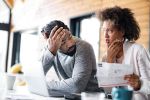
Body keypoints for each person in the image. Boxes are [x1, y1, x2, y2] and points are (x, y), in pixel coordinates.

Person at [99, 6, 150, 100]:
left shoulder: (138, 51)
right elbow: (107, 92)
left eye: (110, 31)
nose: (105, 36)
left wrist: (139, 84)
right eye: (104, 30)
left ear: (122, 31)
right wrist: (109, 62)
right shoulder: (106, 57)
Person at [40, 20, 103, 93]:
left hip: (92, 96)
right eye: (62, 42)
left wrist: (43, 85)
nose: (70, 44)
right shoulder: (51, 48)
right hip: (71, 95)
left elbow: (76, 86)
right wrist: (51, 52)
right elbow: (37, 75)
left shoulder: (84, 47)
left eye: (70, 36)